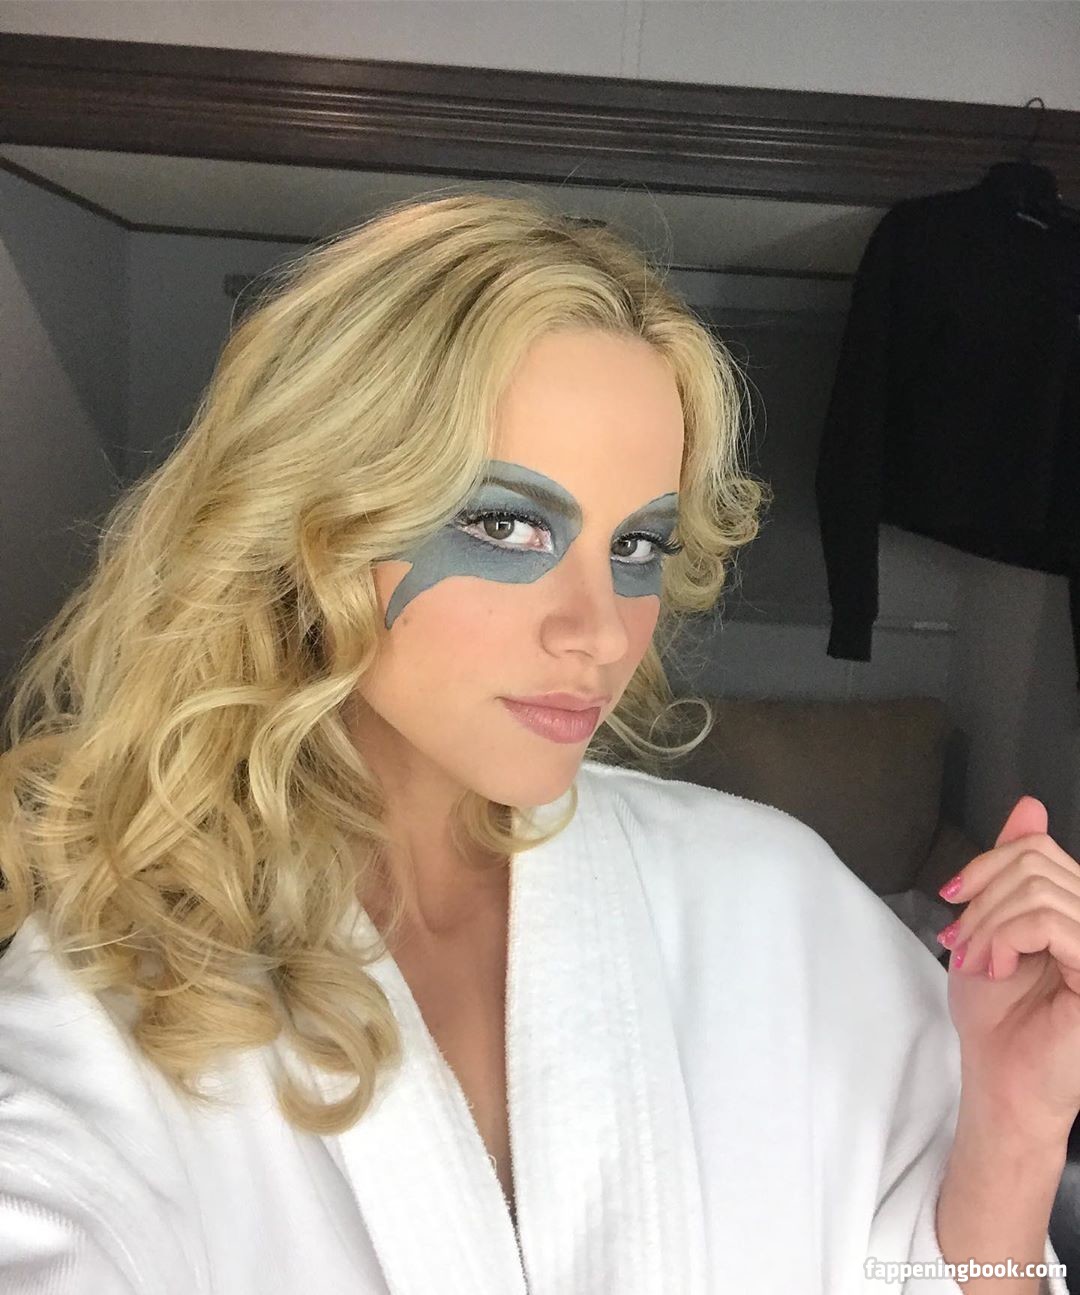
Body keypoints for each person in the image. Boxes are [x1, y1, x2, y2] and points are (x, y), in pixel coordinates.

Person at [0, 190, 1073, 1294]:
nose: (600, 630)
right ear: (311, 526)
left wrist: (1015, 1133)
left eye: (638, 545)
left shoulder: (775, 894)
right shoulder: (114, 992)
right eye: (505, 523)